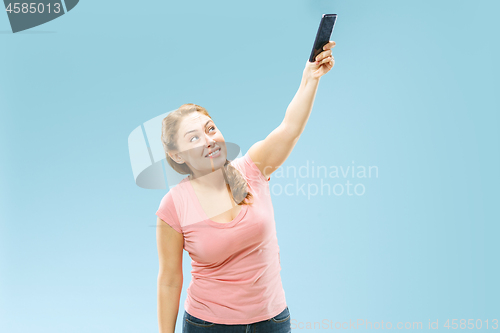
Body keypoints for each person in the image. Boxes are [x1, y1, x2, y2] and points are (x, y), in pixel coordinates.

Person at [156, 41, 336, 333]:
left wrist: (310, 77)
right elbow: (169, 279)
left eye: (210, 129)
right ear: (177, 155)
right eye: (193, 138)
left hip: (273, 322)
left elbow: (290, 128)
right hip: (207, 325)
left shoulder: (252, 169)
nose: (208, 140)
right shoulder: (173, 206)